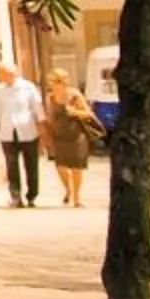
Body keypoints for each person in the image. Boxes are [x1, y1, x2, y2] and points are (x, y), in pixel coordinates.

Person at [42, 72, 107, 209]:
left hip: (76, 136)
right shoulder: (50, 98)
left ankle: (77, 198)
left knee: (77, 167)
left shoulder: (74, 95)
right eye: (50, 82)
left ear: (62, 82)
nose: (51, 85)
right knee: (61, 167)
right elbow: (49, 117)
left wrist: (75, 112)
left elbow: (88, 113)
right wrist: (47, 134)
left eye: (53, 82)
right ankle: (68, 189)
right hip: (59, 136)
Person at [0, 61, 45, 207]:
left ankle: (32, 195)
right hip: (8, 133)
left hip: (28, 131)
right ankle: (15, 196)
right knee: (11, 166)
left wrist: (42, 127)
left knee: (31, 165)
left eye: (1, 72)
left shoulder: (27, 87)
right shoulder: (0, 91)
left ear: (11, 73)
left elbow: (37, 108)